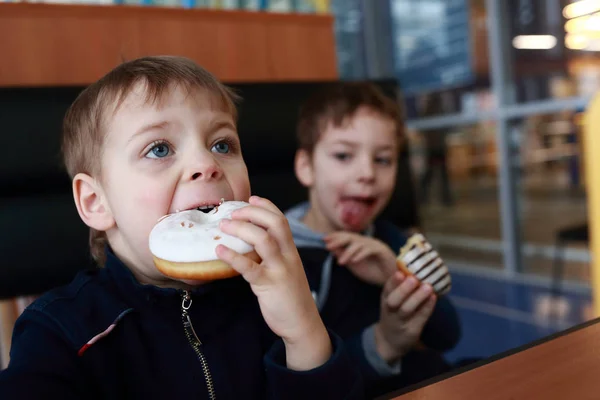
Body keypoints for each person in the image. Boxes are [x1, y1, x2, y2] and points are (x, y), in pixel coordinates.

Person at [0, 56, 364, 400]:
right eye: (159, 149)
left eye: (222, 144)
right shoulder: (59, 331)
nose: (206, 163)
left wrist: (302, 331)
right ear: (96, 202)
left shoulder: (276, 293)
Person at [285, 83, 461, 398]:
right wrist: (384, 343)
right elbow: (304, 384)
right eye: (343, 155)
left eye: (383, 159)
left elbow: (448, 335)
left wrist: (395, 275)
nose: (367, 172)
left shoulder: (390, 239)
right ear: (306, 167)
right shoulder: (280, 259)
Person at [419, 94, 453, 206]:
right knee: (439, 173)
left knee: (433, 173)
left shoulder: (429, 109)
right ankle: (445, 198)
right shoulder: (437, 109)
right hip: (437, 147)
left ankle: (426, 197)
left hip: (433, 146)